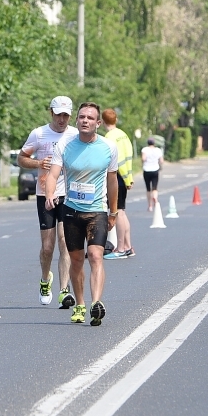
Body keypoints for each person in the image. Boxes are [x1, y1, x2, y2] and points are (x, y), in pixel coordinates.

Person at [45, 102, 118, 326]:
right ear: (77, 121)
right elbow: (53, 174)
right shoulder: (65, 145)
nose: (85, 120)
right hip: (71, 211)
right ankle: (80, 304)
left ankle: (97, 303)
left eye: (90, 118)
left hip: (97, 211)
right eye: (82, 117)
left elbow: (112, 181)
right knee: (76, 260)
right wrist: (49, 195)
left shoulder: (108, 147)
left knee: (96, 256)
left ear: (98, 123)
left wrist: (113, 211)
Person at [18, 96, 78, 308]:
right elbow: (21, 158)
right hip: (45, 193)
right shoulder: (39, 133)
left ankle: (64, 290)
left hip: (69, 194)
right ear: (51, 113)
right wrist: (36, 162)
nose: (62, 119)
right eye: (58, 114)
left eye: (66, 115)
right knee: (47, 246)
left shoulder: (75, 134)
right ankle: (45, 279)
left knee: (65, 241)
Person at [102, 109, 134, 259]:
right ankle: (128, 246)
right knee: (122, 211)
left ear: (101, 121)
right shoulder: (123, 134)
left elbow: (110, 159)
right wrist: (129, 178)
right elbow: (128, 156)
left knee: (118, 212)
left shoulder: (109, 137)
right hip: (125, 175)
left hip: (116, 176)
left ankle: (120, 248)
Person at [141, 137, 163, 211]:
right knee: (155, 187)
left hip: (146, 170)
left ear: (148, 143)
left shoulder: (145, 150)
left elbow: (143, 159)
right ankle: (155, 198)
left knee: (148, 188)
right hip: (155, 169)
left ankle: (150, 205)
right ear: (154, 143)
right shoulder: (158, 150)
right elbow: (161, 161)